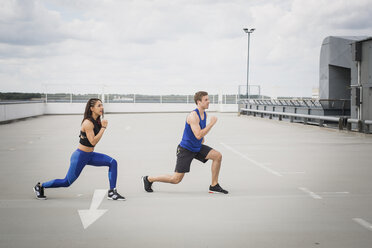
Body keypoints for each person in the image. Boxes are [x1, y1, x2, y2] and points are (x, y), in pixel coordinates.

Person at [33, 98, 125, 200]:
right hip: (80, 156)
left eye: (102, 105)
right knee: (66, 182)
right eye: (99, 105)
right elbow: (93, 141)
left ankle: (112, 192)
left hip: (90, 155)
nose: (102, 107)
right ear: (91, 108)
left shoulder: (97, 121)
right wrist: (103, 128)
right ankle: (40, 186)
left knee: (113, 162)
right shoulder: (87, 123)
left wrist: (101, 126)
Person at [142, 91, 228, 194]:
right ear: (198, 102)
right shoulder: (193, 116)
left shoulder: (204, 114)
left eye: (208, 99)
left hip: (197, 147)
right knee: (176, 179)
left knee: (217, 156)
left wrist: (202, 138)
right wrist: (212, 123)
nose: (208, 102)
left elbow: (200, 134)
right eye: (206, 100)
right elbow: (198, 134)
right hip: (186, 149)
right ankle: (149, 179)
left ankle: (214, 185)